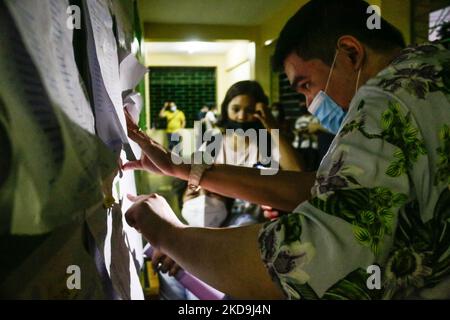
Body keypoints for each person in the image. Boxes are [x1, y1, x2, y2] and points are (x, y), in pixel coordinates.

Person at [124, 0, 450, 299]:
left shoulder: (386, 102)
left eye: (306, 85)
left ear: (350, 54)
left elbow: (308, 256)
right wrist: (183, 170)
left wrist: (167, 233)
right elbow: (326, 186)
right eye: (236, 110)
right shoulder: (431, 73)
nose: (310, 106)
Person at [153, 80, 301, 299]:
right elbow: (192, 184)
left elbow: (297, 173)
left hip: (248, 229)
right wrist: (197, 192)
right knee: (173, 271)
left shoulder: (267, 145)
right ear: (226, 110)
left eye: (250, 111)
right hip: (213, 221)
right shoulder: (215, 142)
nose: (242, 116)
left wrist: (271, 125)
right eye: (236, 109)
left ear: (261, 111)